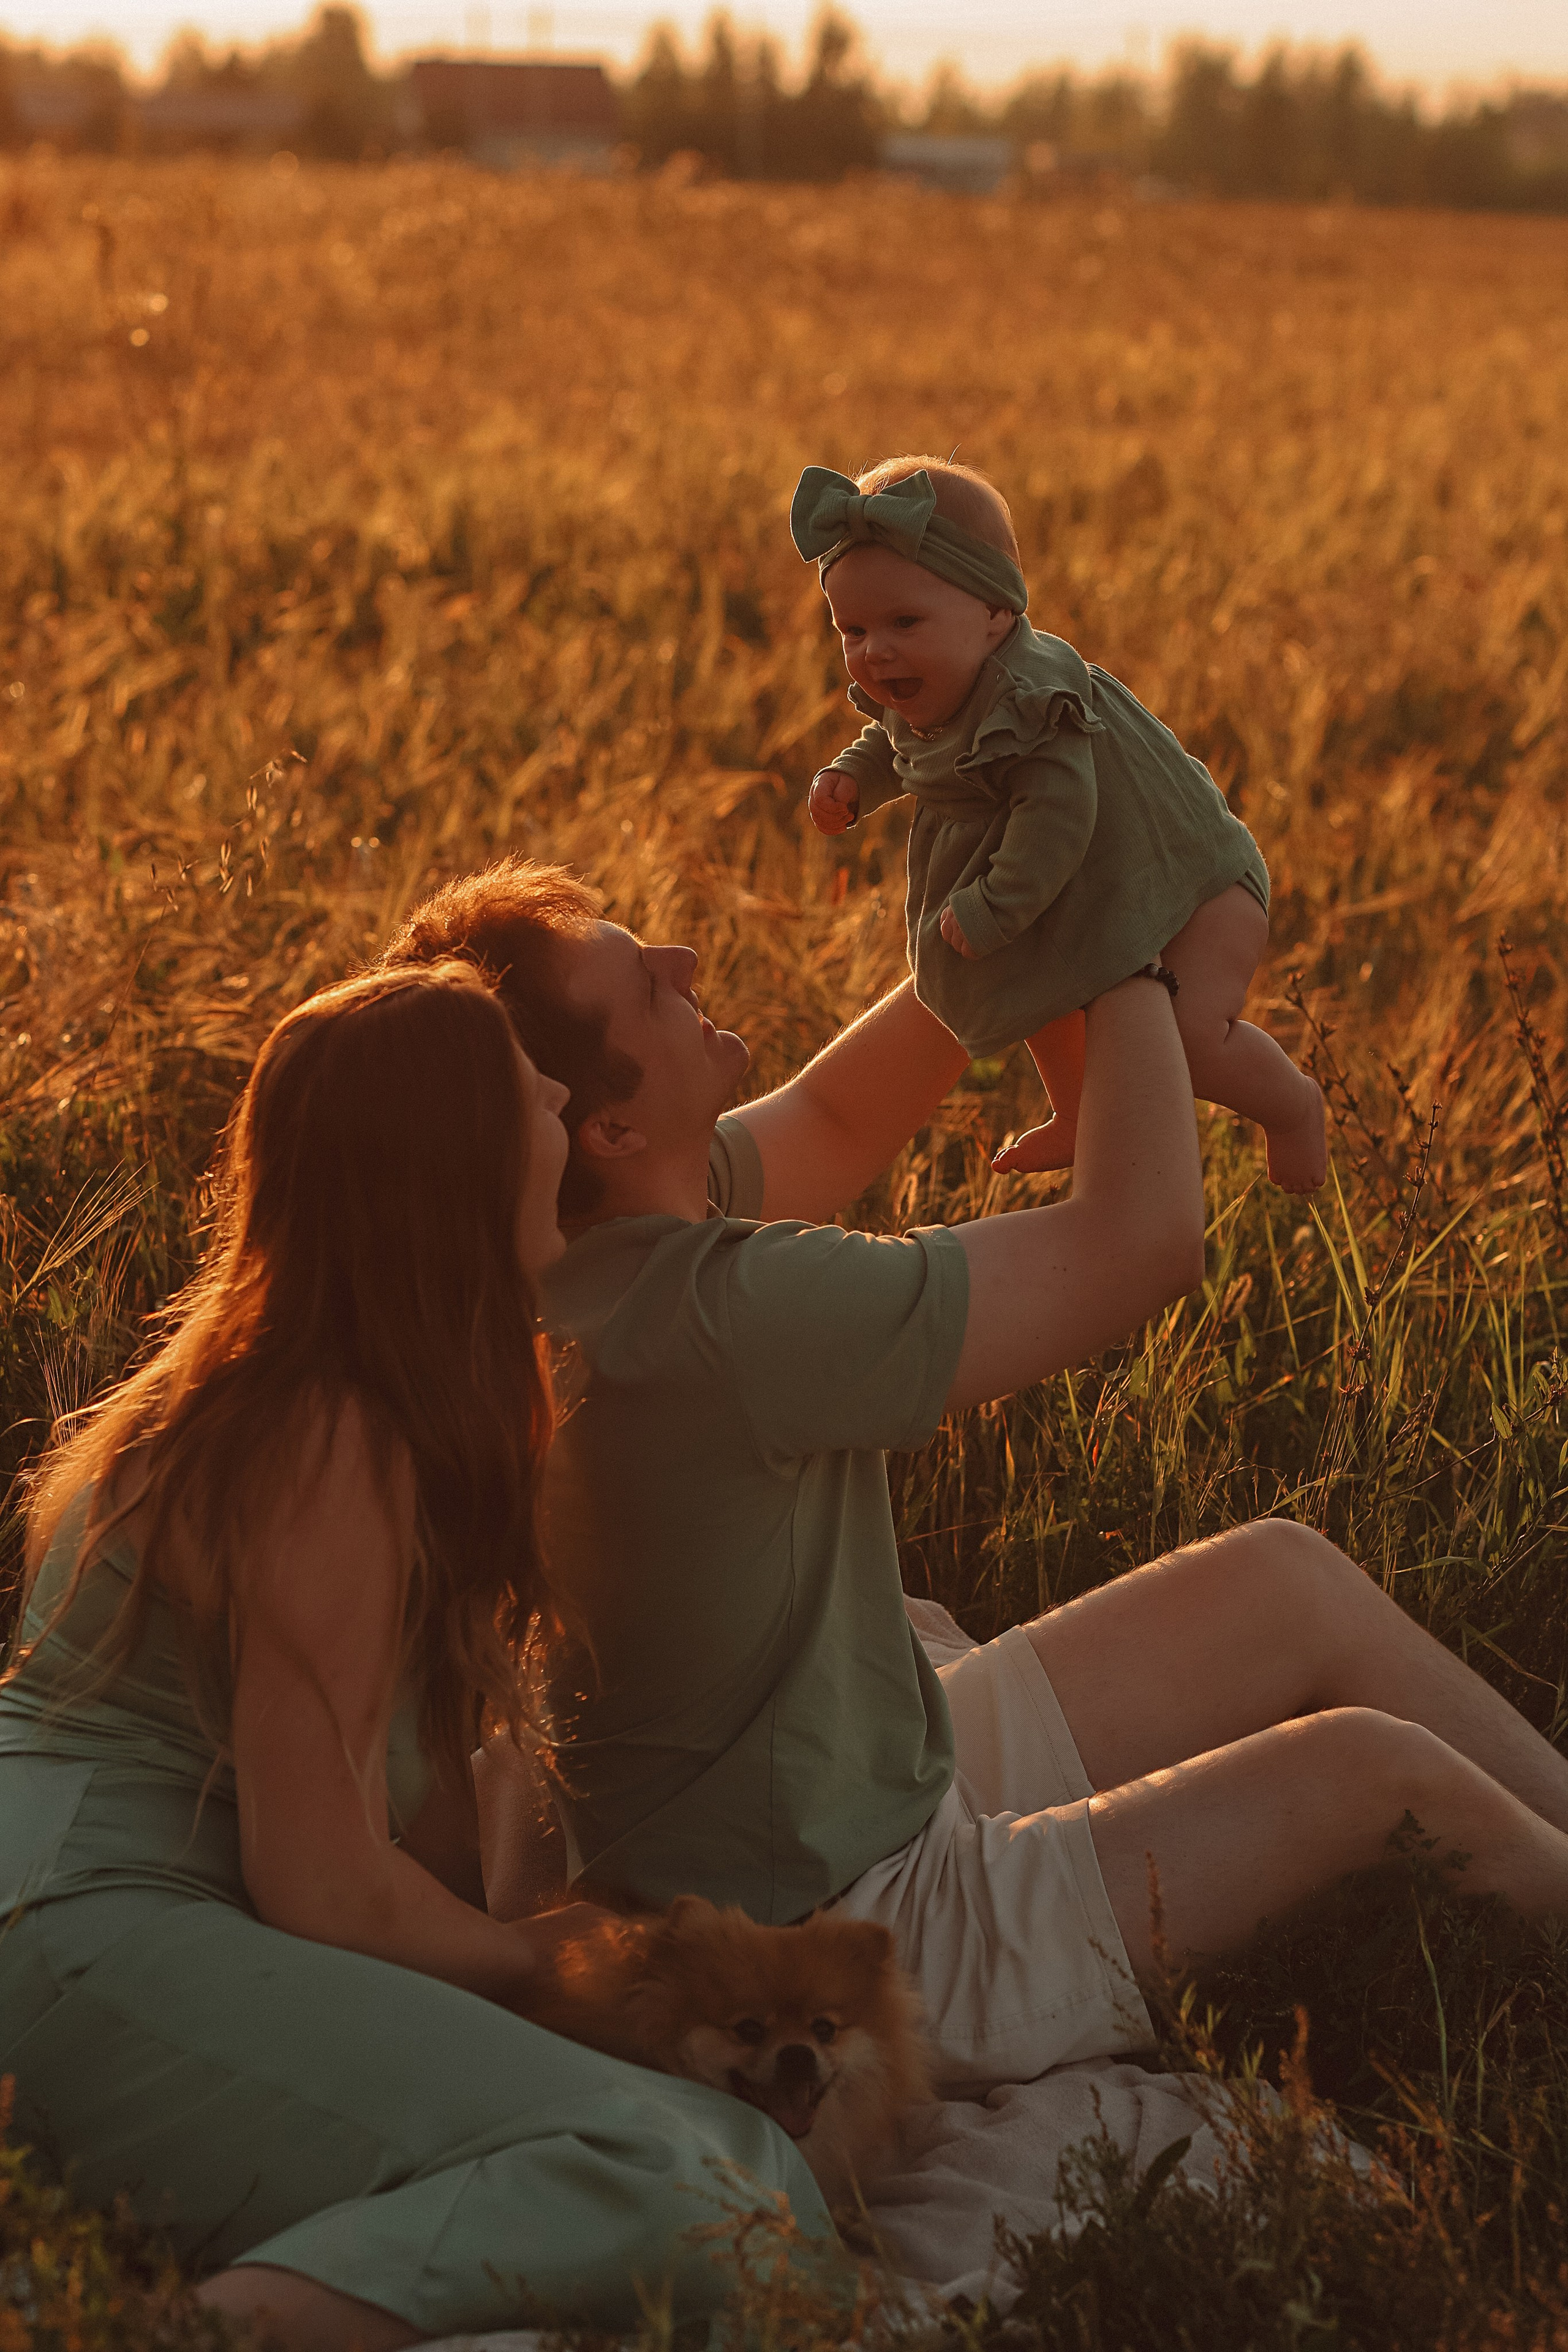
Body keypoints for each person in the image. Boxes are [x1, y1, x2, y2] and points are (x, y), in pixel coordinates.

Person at [383, 861, 1568, 2098]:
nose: (681, 966)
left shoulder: (588, 1242)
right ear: (606, 1127)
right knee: (1376, 1776)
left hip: (844, 1787)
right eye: (644, 984)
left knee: (1283, 1579)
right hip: (845, 1938)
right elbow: (1139, 1241)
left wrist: (1003, 902)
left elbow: (839, 1119)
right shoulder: (733, 1319)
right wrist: (1128, 953)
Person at [0, 960, 835, 2352]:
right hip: (74, 1930)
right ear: (452, 1163)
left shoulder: (316, 1386)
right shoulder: (325, 1436)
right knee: (688, 2193)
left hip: (96, 1912)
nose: (562, 1096)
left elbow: (400, 1837)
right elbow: (321, 1881)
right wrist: (536, 1961)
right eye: (527, 1087)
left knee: (742, 2161)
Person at [793, 455, 1327, 1191]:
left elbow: (1057, 819)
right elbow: (897, 737)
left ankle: (1294, 1108)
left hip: (1195, 884)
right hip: (1097, 885)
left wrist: (995, 906)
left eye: (903, 621)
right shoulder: (934, 677)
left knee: (1190, 1040)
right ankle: (1076, 1113)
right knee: (1035, 970)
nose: (874, 650)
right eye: (852, 630)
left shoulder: (1034, 703)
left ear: (995, 614)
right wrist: (850, 779)